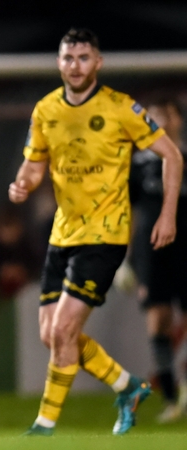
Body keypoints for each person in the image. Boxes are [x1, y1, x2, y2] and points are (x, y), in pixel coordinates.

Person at [8, 28, 183, 436]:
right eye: (68, 58)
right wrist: (22, 184)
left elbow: (171, 155)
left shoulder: (121, 108)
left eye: (84, 58)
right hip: (62, 235)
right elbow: (34, 166)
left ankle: (43, 427)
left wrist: (167, 214)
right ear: (59, 62)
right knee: (51, 335)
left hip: (105, 235)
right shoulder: (46, 110)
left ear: (98, 63)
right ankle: (128, 386)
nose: (75, 66)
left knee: (65, 329)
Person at [128, 96, 187, 423]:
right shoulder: (139, 164)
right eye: (155, 115)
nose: (162, 120)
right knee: (158, 320)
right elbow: (129, 214)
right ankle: (171, 399)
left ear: (178, 119)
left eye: (167, 114)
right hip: (152, 253)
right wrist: (124, 260)